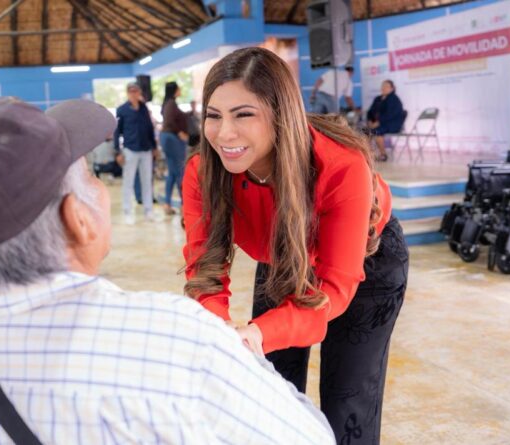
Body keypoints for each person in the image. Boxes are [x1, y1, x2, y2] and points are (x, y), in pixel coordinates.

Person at [0, 97, 335, 444]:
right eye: (90, 177)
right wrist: (244, 354)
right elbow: (310, 437)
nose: (99, 190)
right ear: (78, 219)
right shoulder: (172, 337)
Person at [182, 47, 408, 444]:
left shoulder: (341, 165)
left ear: (280, 114)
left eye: (243, 114)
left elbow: (334, 288)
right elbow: (204, 270)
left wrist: (258, 331)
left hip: (364, 258)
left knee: (347, 401)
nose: (224, 134)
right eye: (214, 116)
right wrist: (224, 330)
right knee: (272, 387)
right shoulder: (202, 171)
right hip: (285, 254)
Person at [114, 82, 158, 224]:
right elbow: (117, 132)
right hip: (130, 150)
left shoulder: (144, 108)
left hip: (146, 149)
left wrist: (154, 147)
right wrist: (118, 151)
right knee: (128, 181)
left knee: (147, 181)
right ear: (128, 93)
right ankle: (127, 211)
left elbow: (150, 128)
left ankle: (148, 210)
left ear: (139, 92)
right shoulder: (121, 110)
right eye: (131, 91)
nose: (134, 94)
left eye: (136, 91)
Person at [160, 81, 189, 216]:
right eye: (179, 88)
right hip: (172, 139)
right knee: (179, 172)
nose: (180, 90)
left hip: (168, 138)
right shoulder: (171, 104)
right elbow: (170, 121)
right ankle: (184, 205)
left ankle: (167, 203)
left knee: (172, 173)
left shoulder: (168, 103)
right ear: (174, 90)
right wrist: (180, 132)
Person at [367, 80, 406, 162]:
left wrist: (378, 122)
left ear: (392, 88)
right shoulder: (378, 99)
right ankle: (369, 154)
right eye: (382, 86)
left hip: (392, 124)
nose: (383, 88)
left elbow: (390, 115)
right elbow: (370, 111)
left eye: (386, 86)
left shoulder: (394, 99)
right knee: (366, 132)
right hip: (378, 124)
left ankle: (383, 155)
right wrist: (370, 120)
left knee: (377, 131)